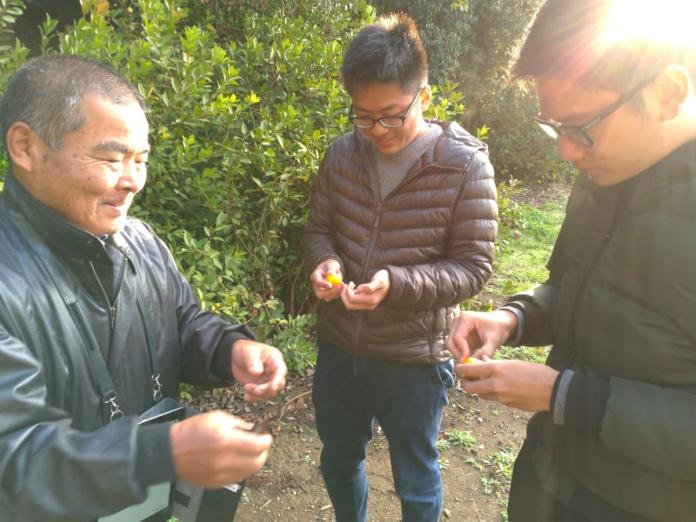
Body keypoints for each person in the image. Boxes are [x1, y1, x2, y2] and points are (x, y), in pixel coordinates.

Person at [0, 54, 287, 521]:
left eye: (141, 160)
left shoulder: (138, 240)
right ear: (26, 147)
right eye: (111, 158)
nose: (133, 181)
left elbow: (180, 320)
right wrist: (157, 453)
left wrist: (228, 349)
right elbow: (15, 459)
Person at [447, 0, 696, 520]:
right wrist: (510, 318)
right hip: (546, 479)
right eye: (554, 126)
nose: (565, 151)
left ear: (668, 92)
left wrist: (563, 395)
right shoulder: (604, 174)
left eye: (580, 126)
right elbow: (570, 288)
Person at [302, 13, 497, 522]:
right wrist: (323, 261)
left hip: (414, 355)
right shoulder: (343, 154)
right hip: (341, 345)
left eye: (391, 116)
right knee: (338, 459)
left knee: (416, 476)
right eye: (363, 117)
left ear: (423, 96)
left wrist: (397, 284)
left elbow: (473, 267)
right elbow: (319, 227)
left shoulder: (465, 165)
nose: (377, 131)